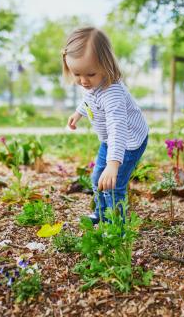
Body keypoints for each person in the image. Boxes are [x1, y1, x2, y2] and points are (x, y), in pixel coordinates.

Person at [62, 27, 149, 224]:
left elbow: (118, 129)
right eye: (77, 74)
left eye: (90, 74)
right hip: (111, 140)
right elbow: (90, 100)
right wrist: (79, 112)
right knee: (97, 179)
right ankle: (102, 214)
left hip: (129, 141)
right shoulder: (92, 84)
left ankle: (116, 225)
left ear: (106, 65)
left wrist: (113, 165)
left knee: (113, 183)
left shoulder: (112, 94)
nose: (83, 81)